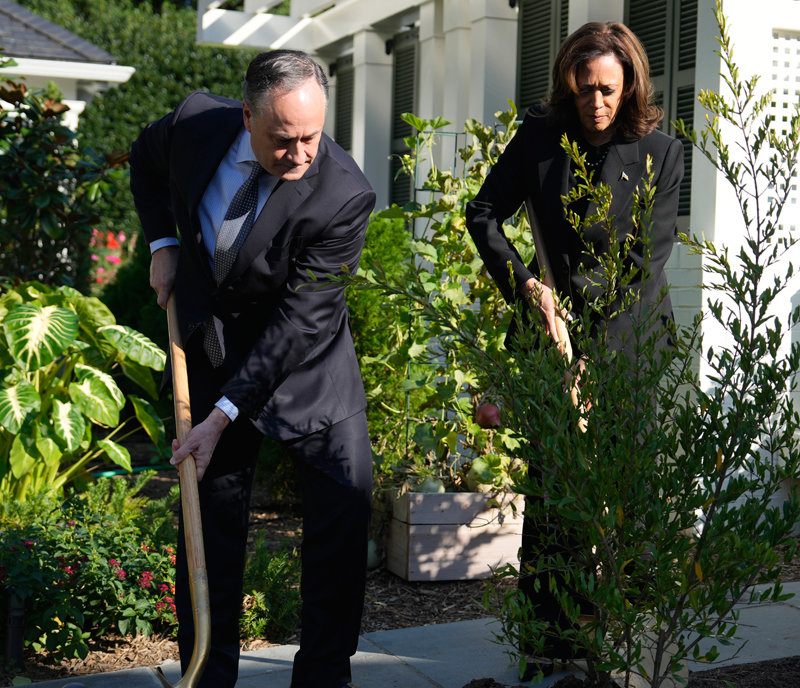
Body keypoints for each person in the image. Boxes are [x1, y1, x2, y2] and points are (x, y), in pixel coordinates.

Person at [129, 50, 376, 688]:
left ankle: (322, 677)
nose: (300, 155)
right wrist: (163, 245)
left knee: (340, 523)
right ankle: (206, 673)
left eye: (312, 138)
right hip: (211, 352)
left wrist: (226, 414)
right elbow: (143, 162)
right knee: (209, 527)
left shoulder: (345, 194)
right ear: (246, 116)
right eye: (283, 139)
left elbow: (300, 320)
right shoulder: (193, 126)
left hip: (308, 367)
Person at [465, 21, 683, 675]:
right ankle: (551, 649)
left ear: (630, 86)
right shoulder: (541, 139)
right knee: (557, 502)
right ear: (569, 83)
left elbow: (645, 265)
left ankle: (630, 646)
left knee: (631, 499)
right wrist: (527, 285)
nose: (596, 102)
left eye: (609, 89)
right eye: (585, 87)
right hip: (549, 334)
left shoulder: (661, 153)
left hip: (630, 344)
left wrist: (593, 361)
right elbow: (482, 213)